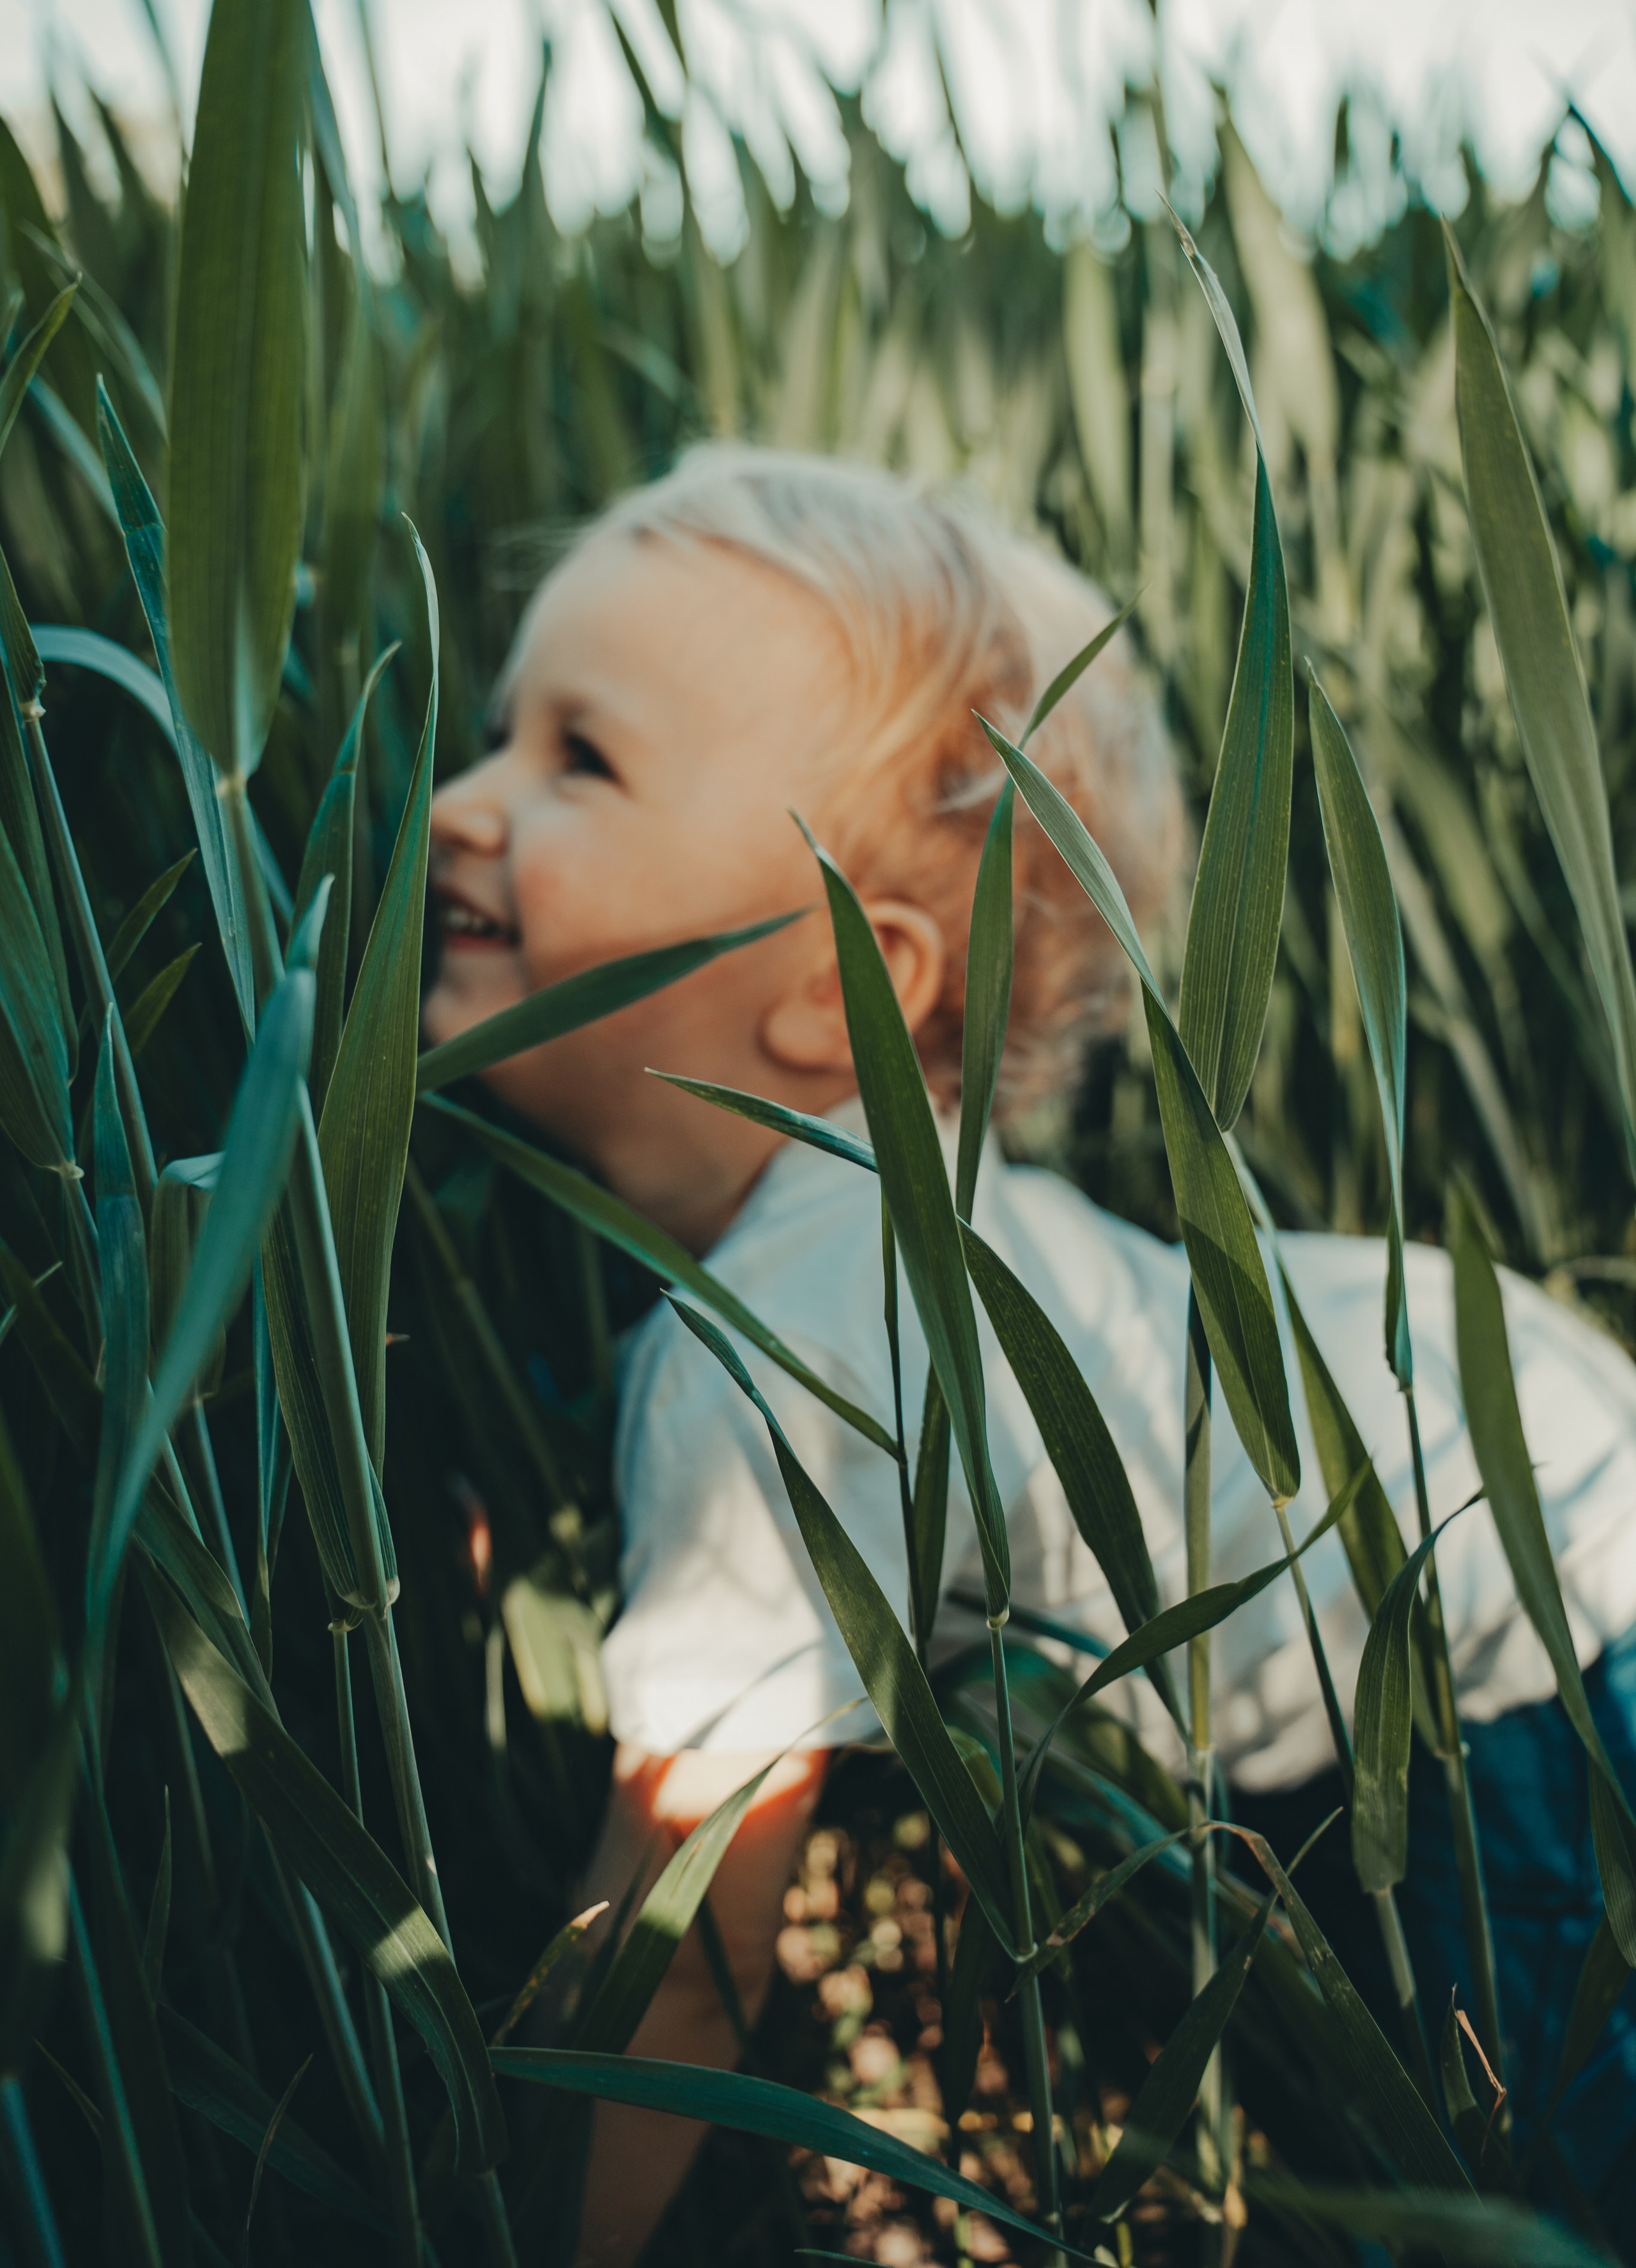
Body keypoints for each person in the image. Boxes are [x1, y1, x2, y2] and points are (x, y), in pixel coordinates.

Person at [421, 447, 1636, 2262]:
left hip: (1536, 1632)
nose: (457, 802)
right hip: (1515, 1445)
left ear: (842, 981)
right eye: (504, 731)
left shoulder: (790, 1348)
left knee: (1555, 2164)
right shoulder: (863, 1255)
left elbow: (675, 1958)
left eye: (578, 759)